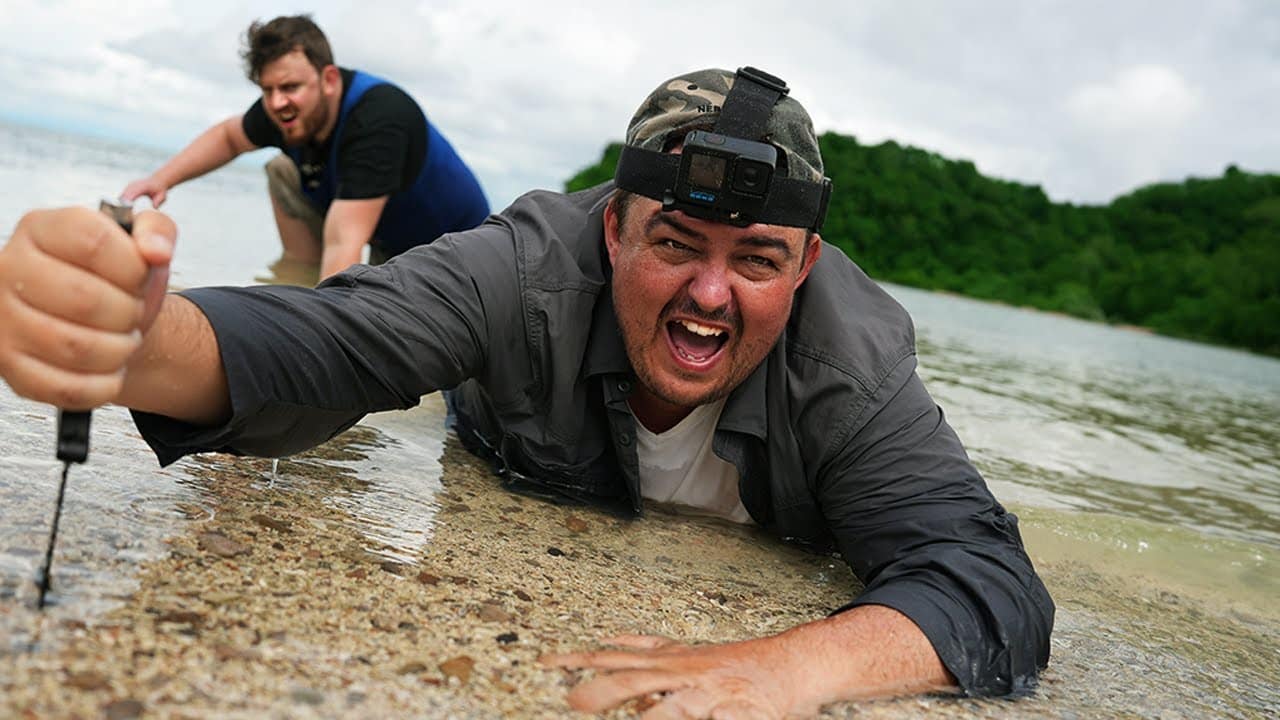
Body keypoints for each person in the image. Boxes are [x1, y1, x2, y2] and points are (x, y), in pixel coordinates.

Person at [0, 66, 1053, 718]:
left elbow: (985, 585)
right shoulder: (524, 267)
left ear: (807, 265)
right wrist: (134, 336)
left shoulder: (848, 367)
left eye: (758, 261)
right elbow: (333, 336)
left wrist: (786, 670)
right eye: (674, 244)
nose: (708, 295)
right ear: (610, 225)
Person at [120, 15, 490, 281]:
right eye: (267, 90)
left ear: (328, 79)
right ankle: (298, 277)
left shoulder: (378, 119)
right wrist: (160, 180)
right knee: (281, 169)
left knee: (369, 330)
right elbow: (229, 138)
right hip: (383, 229)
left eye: (290, 87)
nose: (278, 102)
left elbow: (344, 242)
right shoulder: (285, 109)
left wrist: (319, 339)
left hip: (455, 254)